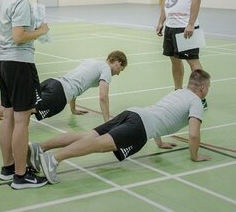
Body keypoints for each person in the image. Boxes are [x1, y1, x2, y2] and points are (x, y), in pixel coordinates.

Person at [30, 69, 212, 185]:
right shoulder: (196, 101)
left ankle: (40, 147)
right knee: (99, 144)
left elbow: (160, 112)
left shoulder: (179, 92)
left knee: (87, 136)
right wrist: (195, 156)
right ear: (203, 88)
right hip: (139, 127)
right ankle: (53, 159)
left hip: (132, 113)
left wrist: (159, 142)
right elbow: (194, 134)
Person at [0, 51, 128, 143]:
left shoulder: (91, 61)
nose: (120, 72)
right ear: (115, 61)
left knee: (17, 98)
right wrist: (108, 123)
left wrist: (73, 108)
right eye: (121, 67)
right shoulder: (106, 69)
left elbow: (76, 83)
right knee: (24, 108)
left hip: (54, 82)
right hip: (58, 94)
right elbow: (103, 97)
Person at [0, 0, 49, 189]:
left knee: (9, 116)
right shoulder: (21, 2)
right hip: (19, 63)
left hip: (2, 62)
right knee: (22, 120)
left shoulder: (0, 0)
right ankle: (21, 176)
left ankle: (8, 167)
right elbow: (19, 36)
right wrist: (40, 30)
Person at [156, 0, 207, 109]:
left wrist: (191, 23)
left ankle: (200, 97)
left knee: (193, 62)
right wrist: (161, 21)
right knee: (175, 61)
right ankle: (178, 92)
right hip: (171, 26)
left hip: (186, 27)